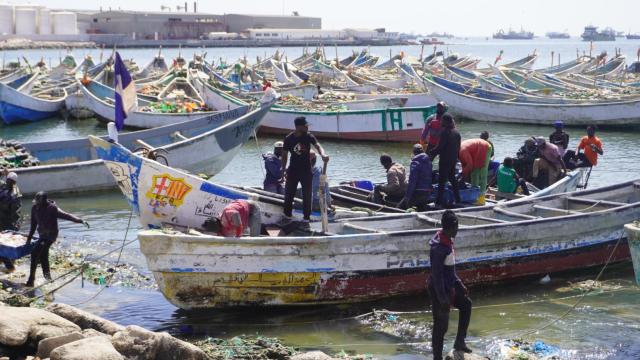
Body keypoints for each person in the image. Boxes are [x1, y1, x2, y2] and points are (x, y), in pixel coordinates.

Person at [428, 210, 472, 360]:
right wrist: (442, 299)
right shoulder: (439, 248)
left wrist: (460, 285)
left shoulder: (447, 241)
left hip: (450, 285)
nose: (458, 230)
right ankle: (437, 357)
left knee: (466, 304)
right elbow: (437, 276)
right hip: (439, 289)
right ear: (452, 227)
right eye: (457, 226)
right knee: (441, 326)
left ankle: (460, 341)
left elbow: (449, 271)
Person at [25, 192, 88, 287]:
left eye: (38, 202)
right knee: (43, 256)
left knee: (34, 253)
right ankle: (48, 279)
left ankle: (31, 280)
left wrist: (80, 220)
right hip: (42, 236)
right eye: (36, 201)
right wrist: (28, 239)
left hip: (50, 236)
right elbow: (33, 225)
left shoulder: (52, 208)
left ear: (44, 201)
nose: (36, 203)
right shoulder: (35, 208)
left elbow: (67, 215)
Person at [281, 117, 329, 222]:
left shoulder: (309, 136)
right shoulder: (289, 138)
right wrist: (282, 171)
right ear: (298, 127)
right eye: (305, 126)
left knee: (307, 195)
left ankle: (306, 218)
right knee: (289, 195)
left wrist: (323, 154)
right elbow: (284, 156)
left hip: (306, 170)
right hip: (293, 170)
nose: (307, 127)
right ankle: (287, 216)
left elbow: (318, 146)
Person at [429, 114, 461, 208]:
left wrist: (431, 152)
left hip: (445, 160)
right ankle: (458, 199)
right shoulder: (456, 132)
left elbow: (440, 147)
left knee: (442, 181)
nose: (441, 122)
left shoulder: (445, 132)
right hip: (453, 159)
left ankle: (438, 203)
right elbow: (458, 148)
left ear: (446, 122)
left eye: (442, 121)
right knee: (452, 179)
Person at [459, 139, 493, 205]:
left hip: (485, 148)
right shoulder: (459, 152)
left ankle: (481, 199)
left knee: (482, 173)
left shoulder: (462, 151)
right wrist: (463, 173)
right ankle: (474, 196)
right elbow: (464, 164)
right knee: (474, 173)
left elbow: (469, 164)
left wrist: (463, 174)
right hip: (477, 151)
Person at [399, 144, 433, 211]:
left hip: (418, 192)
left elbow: (412, 181)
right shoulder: (429, 162)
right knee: (421, 208)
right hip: (427, 192)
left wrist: (407, 197)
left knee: (400, 207)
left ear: (414, 152)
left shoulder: (415, 162)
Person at [0, 171, 21, 273]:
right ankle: (9, 264)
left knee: (6, 245)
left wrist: (15, 226)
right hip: (1, 220)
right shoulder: (3, 188)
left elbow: (15, 213)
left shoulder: (15, 195)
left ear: (14, 183)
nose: (9, 183)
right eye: (8, 180)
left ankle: (10, 267)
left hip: (9, 223)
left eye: (11, 181)